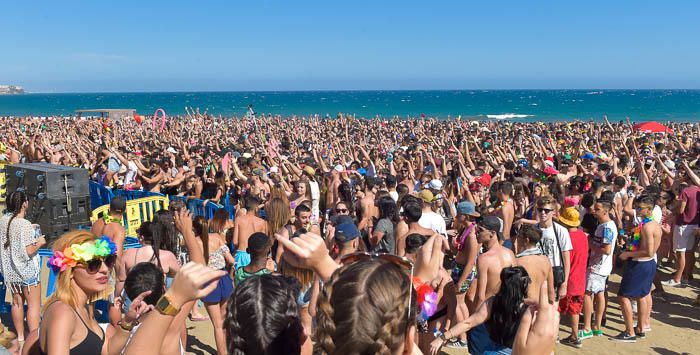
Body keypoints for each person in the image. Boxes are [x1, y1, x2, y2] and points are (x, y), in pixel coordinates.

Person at [37, 231, 132, 354]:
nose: (104, 269)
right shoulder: (63, 313)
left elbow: (106, 350)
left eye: (108, 261)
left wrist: (128, 321)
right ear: (70, 271)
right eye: (93, 264)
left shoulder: (84, 308)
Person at [430, 266, 532, 355]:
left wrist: (442, 338)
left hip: (490, 350)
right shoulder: (530, 310)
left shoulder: (493, 302)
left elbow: (468, 323)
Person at [614, 196, 662, 342]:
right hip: (646, 264)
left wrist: (627, 254)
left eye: (640, 208)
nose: (637, 210)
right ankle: (639, 328)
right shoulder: (650, 224)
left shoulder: (648, 227)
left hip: (641, 263)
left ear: (649, 210)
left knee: (623, 296)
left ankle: (630, 332)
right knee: (642, 295)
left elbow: (649, 251)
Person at [0, 191, 45, 343]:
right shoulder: (24, 224)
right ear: (25, 203)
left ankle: (20, 337)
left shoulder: (4, 220)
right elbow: (29, 251)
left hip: (11, 271)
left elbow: (12, 231)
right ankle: (34, 338)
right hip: (27, 271)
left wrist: (29, 227)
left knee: (17, 303)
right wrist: (39, 242)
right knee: (33, 306)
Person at [470, 216, 516, 354]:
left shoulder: (484, 258)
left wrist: (475, 319)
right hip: (508, 312)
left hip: (488, 313)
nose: (477, 233)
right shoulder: (510, 254)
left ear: (492, 233)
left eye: (480, 230)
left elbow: (481, 294)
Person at [193, 216, 234, 355]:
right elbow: (231, 260)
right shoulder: (217, 237)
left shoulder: (194, 243)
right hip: (223, 278)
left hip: (208, 281)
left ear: (194, 228)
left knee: (217, 325)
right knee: (224, 322)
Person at [580, 199, 618, 341]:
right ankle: (596, 326)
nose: (594, 211)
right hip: (602, 267)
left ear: (605, 211)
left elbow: (607, 250)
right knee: (600, 293)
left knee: (588, 294)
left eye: (597, 209)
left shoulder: (606, 227)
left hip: (598, 266)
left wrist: (589, 244)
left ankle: (588, 327)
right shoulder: (607, 225)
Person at [91, 196, 127, 326]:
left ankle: (89, 321)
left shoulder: (98, 223)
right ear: (124, 211)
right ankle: (116, 328)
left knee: (91, 298)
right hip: (106, 267)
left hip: (92, 263)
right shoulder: (118, 229)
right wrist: (121, 277)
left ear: (109, 208)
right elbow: (116, 254)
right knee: (114, 301)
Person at [556, 207, 589, 348]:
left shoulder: (566, 238)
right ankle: (575, 336)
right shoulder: (583, 236)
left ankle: (555, 334)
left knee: (557, 308)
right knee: (575, 309)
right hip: (580, 280)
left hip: (567, 279)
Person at [663, 174, 699, 287]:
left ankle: (677, 279)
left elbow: (681, 210)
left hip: (683, 225)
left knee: (680, 253)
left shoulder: (686, 191)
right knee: (689, 252)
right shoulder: (698, 190)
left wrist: (673, 208)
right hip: (694, 225)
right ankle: (687, 276)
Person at [534, 196, 572, 299]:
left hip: (554, 273)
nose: (543, 213)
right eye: (540, 209)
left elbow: (566, 258)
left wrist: (565, 283)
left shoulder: (561, 231)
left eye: (546, 210)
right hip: (537, 272)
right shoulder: (533, 230)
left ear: (553, 212)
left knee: (552, 306)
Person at [514, 225, 555, 304]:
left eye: (518, 236)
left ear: (526, 240)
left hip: (523, 307)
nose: (516, 239)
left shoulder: (517, 262)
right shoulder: (545, 260)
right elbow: (551, 293)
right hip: (541, 307)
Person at [232, 195, 268, 269]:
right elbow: (265, 243)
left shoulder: (239, 219)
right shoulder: (262, 222)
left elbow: (235, 242)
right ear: (256, 208)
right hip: (256, 256)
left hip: (241, 253)